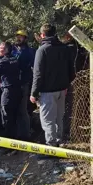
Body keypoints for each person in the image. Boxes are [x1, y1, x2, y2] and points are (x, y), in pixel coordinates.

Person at [30, 24, 75, 154]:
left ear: (42, 35)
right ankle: (60, 141)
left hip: (47, 92)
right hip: (62, 90)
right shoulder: (64, 48)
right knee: (59, 118)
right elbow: (71, 71)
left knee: (48, 120)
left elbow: (37, 74)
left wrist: (34, 93)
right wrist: (66, 84)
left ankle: (51, 149)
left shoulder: (42, 50)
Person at [0, 42, 22, 140]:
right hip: (17, 90)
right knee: (14, 115)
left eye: (1, 48)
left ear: (6, 50)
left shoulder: (2, 62)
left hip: (8, 91)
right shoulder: (14, 58)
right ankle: (15, 137)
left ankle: (8, 141)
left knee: (6, 115)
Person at [14, 30, 35, 141]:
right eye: (18, 36)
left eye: (21, 37)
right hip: (13, 83)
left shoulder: (29, 51)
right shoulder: (13, 49)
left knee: (23, 109)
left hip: (24, 83)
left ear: (25, 39)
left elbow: (33, 66)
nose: (18, 38)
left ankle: (26, 134)